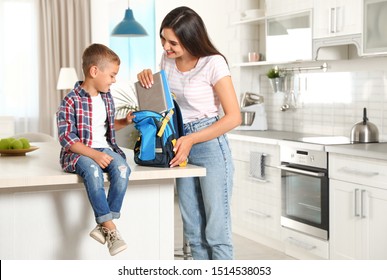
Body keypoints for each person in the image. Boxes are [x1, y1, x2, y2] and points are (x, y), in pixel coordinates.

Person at [137, 6, 241, 260]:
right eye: (163, 39)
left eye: (173, 42)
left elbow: (234, 117)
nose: (166, 47)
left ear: (191, 38)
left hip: (209, 145)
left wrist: (192, 139)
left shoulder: (213, 64)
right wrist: (147, 80)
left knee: (217, 233)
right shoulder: (167, 60)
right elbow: (162, 104)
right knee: (193, 232)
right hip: (179, 143)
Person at [57, 43, 134, 256]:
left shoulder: (106, 97)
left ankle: (103, 224)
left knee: (122, 170)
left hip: (104, 148)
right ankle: (111, 229)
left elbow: (107, 126)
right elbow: (66, 137)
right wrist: (94, 154)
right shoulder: (70, 100)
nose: (114, 80)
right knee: (92, 171)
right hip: (78, 152)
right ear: (94, 71)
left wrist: (124, 121)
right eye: (112, 75)